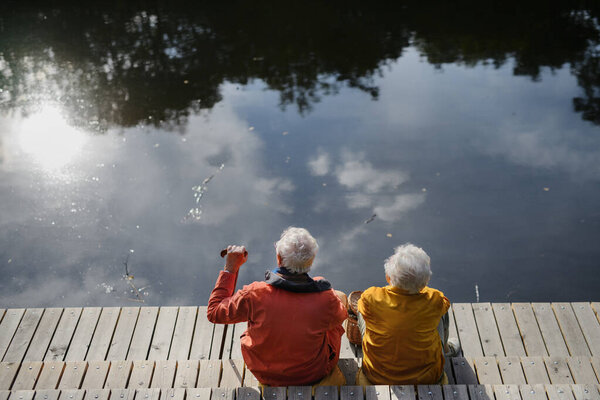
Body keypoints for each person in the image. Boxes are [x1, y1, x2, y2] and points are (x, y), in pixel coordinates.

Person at [207, 227, 348, 387]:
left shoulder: (254, 293)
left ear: (279, 258)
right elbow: (340, 316)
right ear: (312, 259)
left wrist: (231, 268)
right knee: (339, 301)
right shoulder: (325, 297)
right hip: (313, 373)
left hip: (263, 372)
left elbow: (214, 312)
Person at [356, 243, 460, 385]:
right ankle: (446, 348)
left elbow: (362, 305)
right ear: (426, 282)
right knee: (441, 312)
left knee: (361, 309)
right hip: (428, 378)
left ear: (388, 277)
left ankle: (371, 344)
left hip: (377, 376)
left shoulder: (371, 297)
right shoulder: (434, 299)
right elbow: (442, 303)